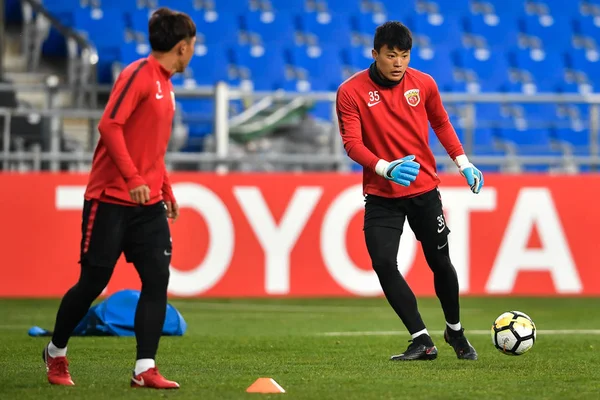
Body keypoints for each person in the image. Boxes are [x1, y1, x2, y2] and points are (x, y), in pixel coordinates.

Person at [42, 7, 196, 388]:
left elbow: (152, 148)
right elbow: (109, 125)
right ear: (181, 47)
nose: (192, 53)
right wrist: (131, 178)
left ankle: (145, 368)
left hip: (147, 203)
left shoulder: (166, 84)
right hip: (110, 197)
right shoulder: (138, 75)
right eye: (191, 46)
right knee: (93, 281)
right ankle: (55, 352)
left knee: (156, 279)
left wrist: (165, 187)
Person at [335, 21, 483, 361]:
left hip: (424, 191)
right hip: (381, 194)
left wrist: (463, 163)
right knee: (383, 262)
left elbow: (441, 122)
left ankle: (455, 331)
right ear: (375, 55)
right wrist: (386, 167)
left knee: (440, 263)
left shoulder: (424, 84)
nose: (398, 63)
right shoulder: (351, 91)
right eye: (391, 55)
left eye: (404, 55)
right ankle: (421, 340)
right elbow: (352, 144)